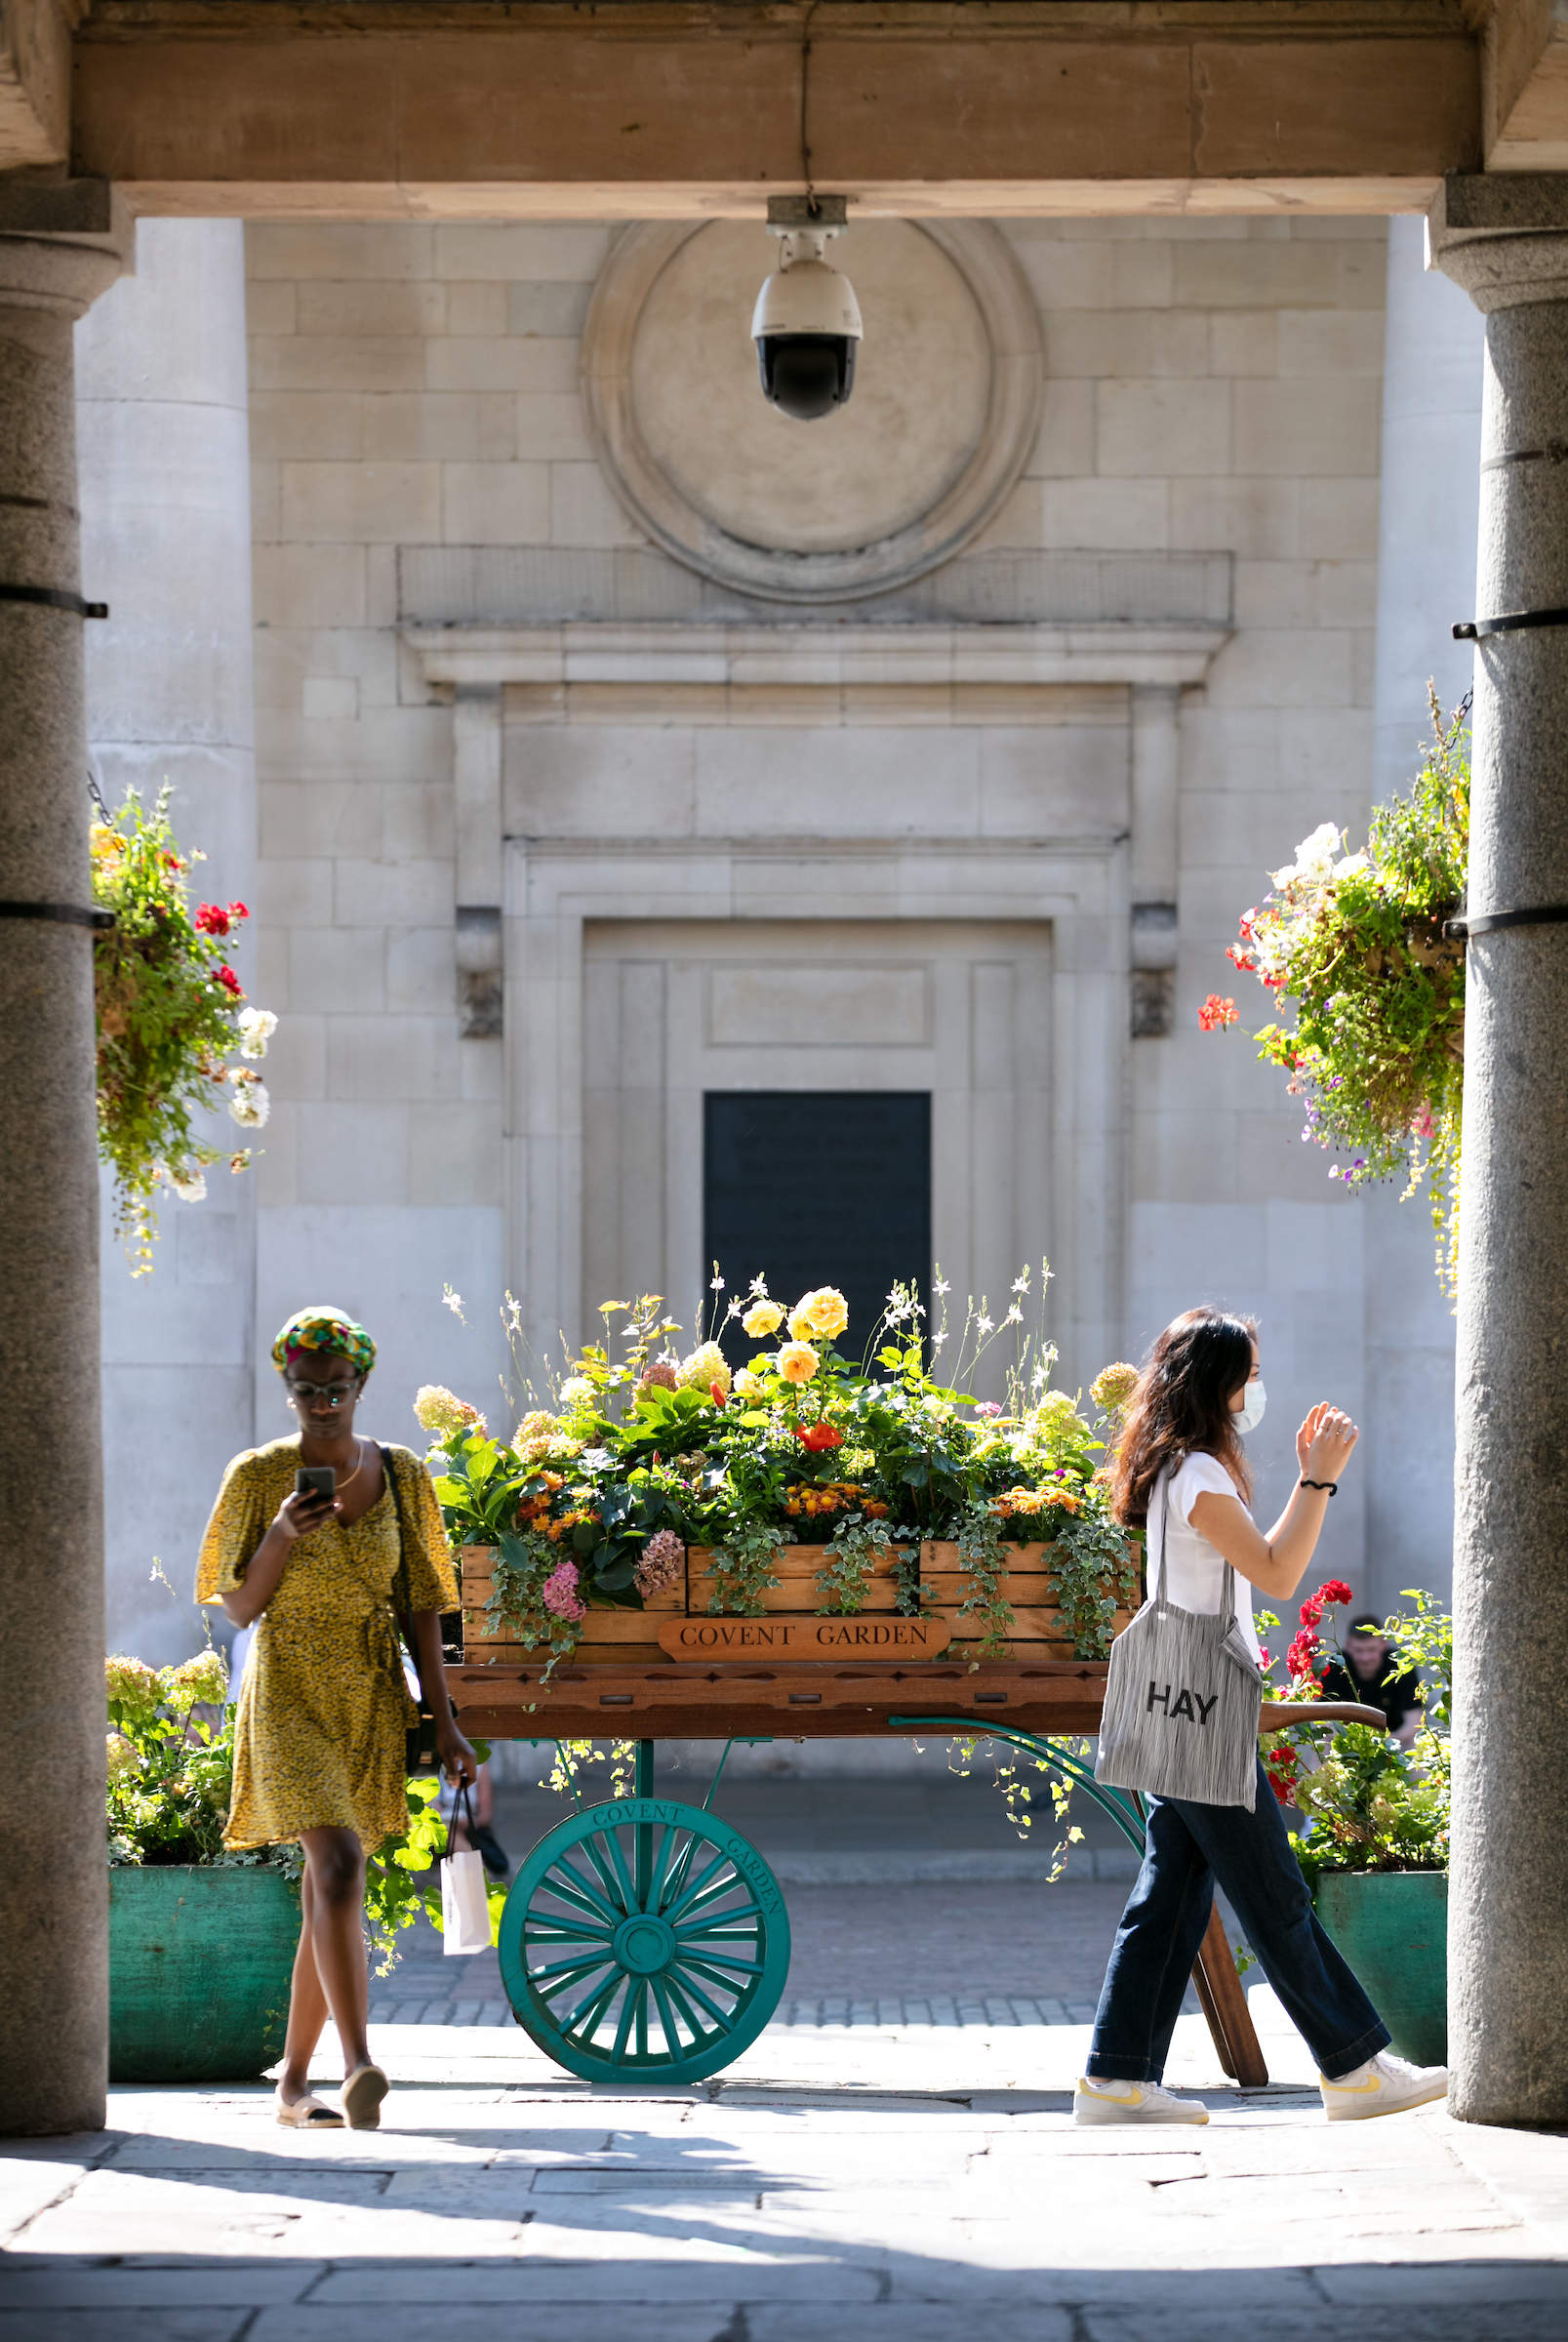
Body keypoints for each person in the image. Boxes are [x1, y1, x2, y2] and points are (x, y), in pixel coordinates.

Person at [1075, 1307, 1449, 2128]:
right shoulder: (1200, 1478)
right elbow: (1279, 1573)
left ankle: (1115, 2079)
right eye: (1247, 1373)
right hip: (1202, 1710)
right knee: (1272, 1892)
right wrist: (1316, 1478)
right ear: (1217, 1385)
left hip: (1180, 1701)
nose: (1256, 1387)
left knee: (1168, 1893)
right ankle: (1352, 2068)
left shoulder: (1176, 1470)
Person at [196, 1305, 476, 2131]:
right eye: (306, 1390)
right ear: (287, 1388)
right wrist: (281, 1534)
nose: (322, 1404)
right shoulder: (256, 1476)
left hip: (367, 1693)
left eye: (337, 1390)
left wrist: (444, 1717)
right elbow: (239, 1606)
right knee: (342, 1863)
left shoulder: (406, 1475)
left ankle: (291, 2088)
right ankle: (359, 2067)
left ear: (362, 1385)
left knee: (333, 1885)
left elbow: (422, 1604)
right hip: (287, 1689)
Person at [1320, 1614, 1425, 1747]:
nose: (1365, 1658)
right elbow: (1324, 1720)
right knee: (1322, 1744)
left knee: (1415, 1743)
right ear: (1348, 1646)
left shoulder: (1401, 1663)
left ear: (1383, 1645)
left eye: (1371, 1649)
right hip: (1346, 1739)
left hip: (1393, 1739)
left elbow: (1414, 1721)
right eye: (1359, 1650)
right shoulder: (1334, 1664)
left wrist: (1386, 1742)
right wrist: (1351, 1742)